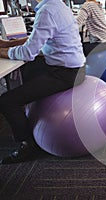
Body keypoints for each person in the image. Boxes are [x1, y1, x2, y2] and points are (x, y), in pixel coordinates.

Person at [0, 0, 86, 164]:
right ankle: (28, 120)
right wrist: (8, 44)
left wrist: (3, 52)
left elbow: (27, 53)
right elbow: (36, 38)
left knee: (6, 101)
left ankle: (28, 145)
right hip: (75, 68)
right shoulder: (59, 6)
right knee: (29, 71)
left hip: (65, 74)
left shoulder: (47, 11)